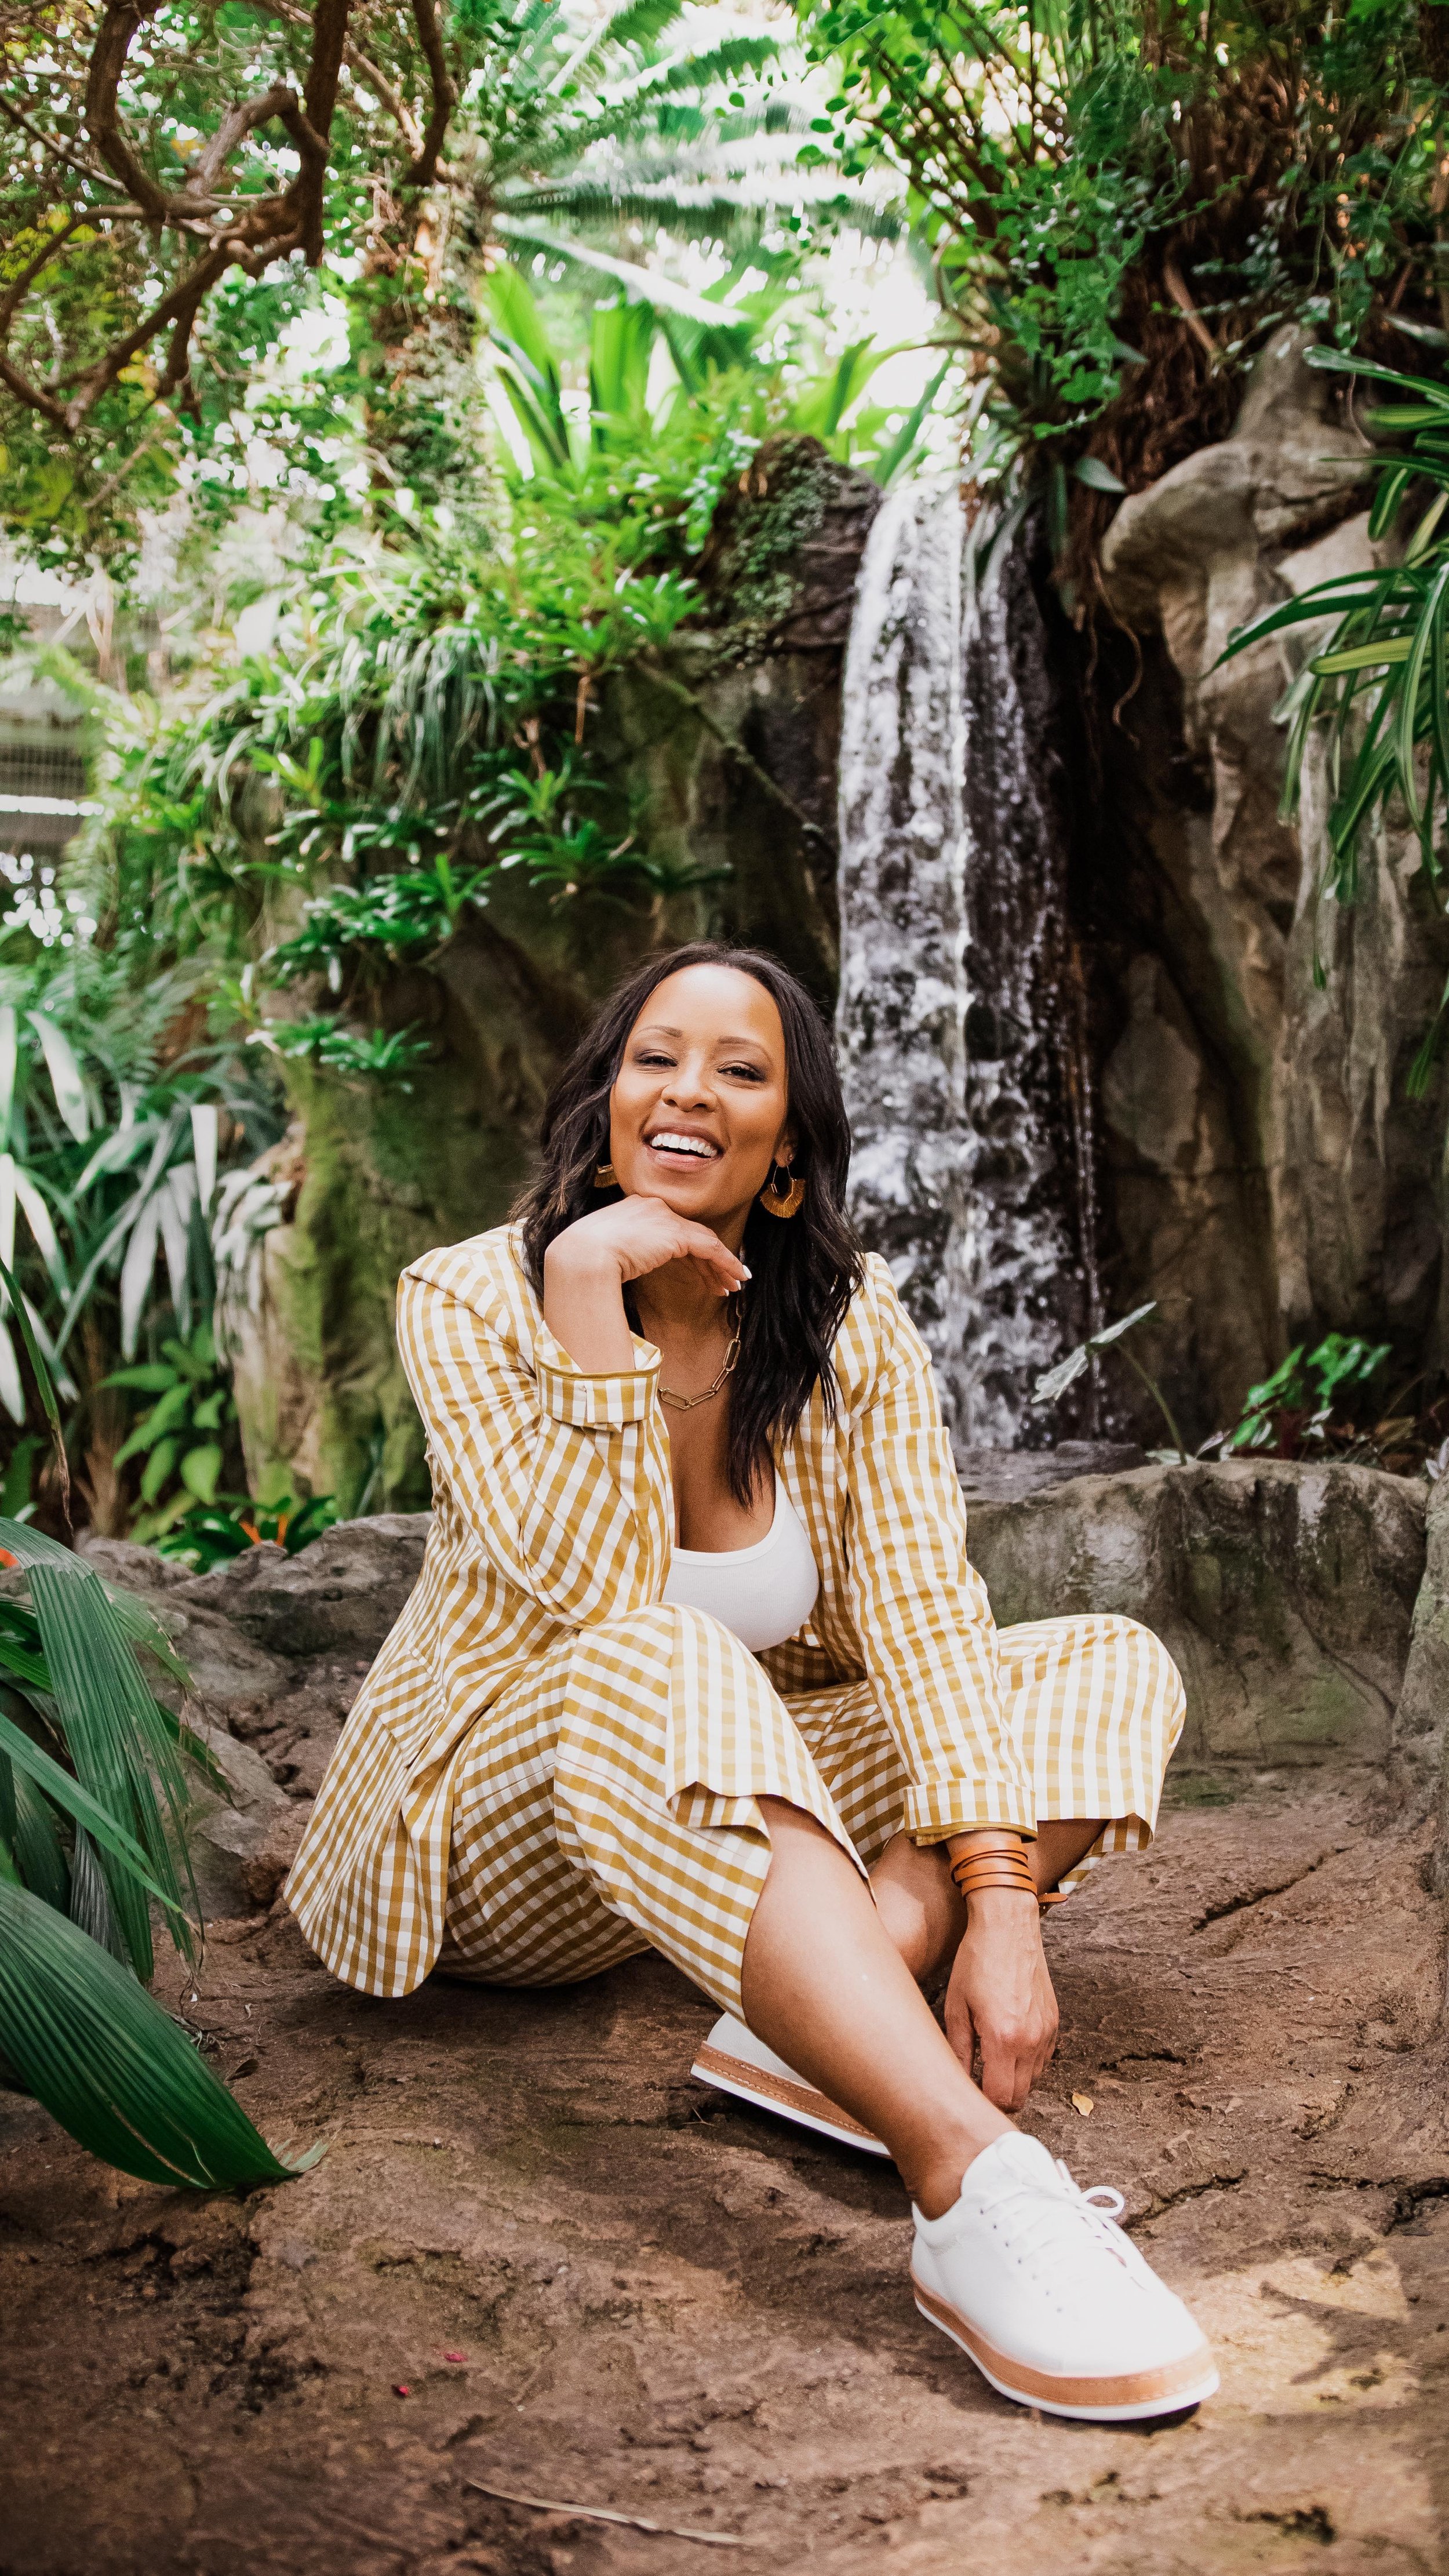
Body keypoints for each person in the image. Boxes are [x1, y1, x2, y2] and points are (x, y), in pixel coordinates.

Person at [287, 940, 1215, 2424]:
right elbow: (594, 1597)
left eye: (739, 1069)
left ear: (785, 1147)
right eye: (656, 1056)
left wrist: (999, 1902)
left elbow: (921, 1614)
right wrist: (588, 1291)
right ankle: (971, 2180)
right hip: (495, 1838)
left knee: (1098, 1657)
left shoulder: (848, 1322)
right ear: (606, 1095)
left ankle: (827, 2008)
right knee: (658, 1645)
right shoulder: (470, 1296)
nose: (687, 1091)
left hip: (711, 1796)